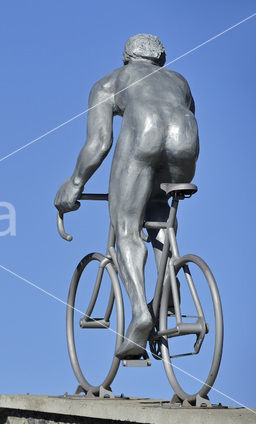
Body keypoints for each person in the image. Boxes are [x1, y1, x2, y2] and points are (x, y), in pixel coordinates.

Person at [54, 34, 198, 359]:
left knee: (127, 229)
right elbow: (189, 114)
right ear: (160, 59)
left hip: (144, 137)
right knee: (161, 217)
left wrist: (74, 184)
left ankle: (140, 314)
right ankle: (167, 292)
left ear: (126, 57)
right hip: (186, 143)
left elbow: (99, 145)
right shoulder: (180, 81)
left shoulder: (111, 82)